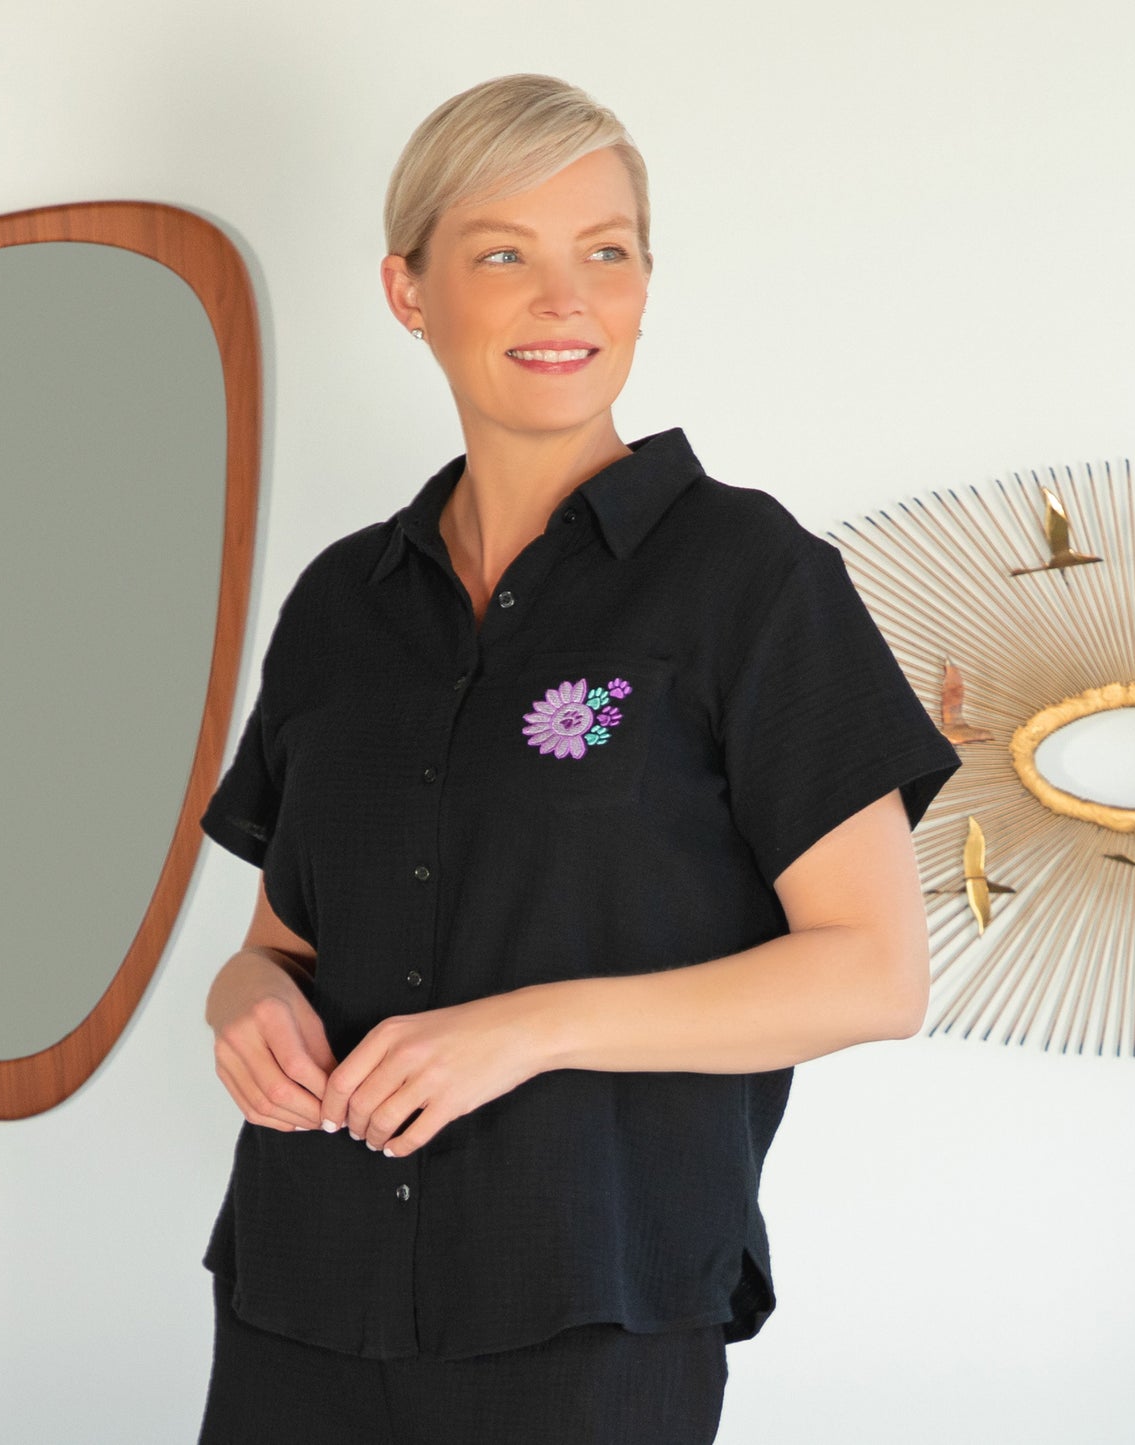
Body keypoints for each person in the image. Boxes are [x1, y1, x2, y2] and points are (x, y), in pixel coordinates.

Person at [195, 72, 961, 1445]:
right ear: (408, 290)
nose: (565, 300)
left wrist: (524, 1028)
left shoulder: (750, 577)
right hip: (299, 1294)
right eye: (504, 255)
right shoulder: (339, 605)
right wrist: (242, 999)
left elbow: (873, 973)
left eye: (605, 253)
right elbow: (282, 941)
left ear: (644, 286)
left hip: (591, 1315)